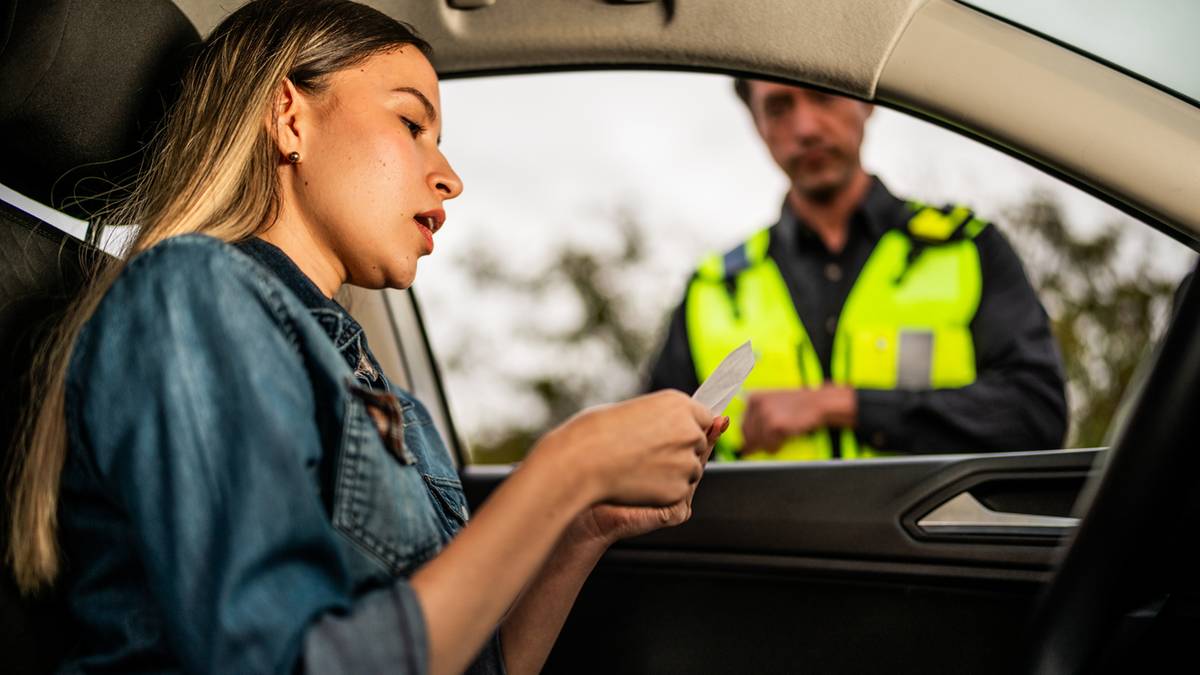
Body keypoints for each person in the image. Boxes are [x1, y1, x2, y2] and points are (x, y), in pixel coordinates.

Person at [5, 2, 728, 673]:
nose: (449, 178)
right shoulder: (192, 293)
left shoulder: (393, 404)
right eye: (412, 125)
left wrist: (584, 524)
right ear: (290, 118)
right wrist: (569, 465)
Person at [648, 79, 1067, 461]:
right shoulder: (712, 289)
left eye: (823, 95)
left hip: (941, 545)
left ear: (867, 101)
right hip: (764, 544)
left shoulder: (968, 248)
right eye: (778, 108)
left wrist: (839, 405)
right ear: (757, 124)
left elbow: (1036, 415)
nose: (806, 127)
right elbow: (652, 454)